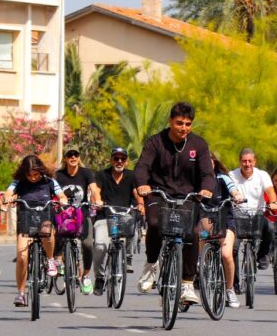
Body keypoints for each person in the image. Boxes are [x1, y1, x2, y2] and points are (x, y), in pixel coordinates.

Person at [133, 102, 216, 307]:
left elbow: (208, 174)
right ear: (170, 121)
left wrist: (206, 189)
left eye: (188, 124)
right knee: (154, 224)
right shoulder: (155, 142)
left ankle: (187, 283)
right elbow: (142, 167)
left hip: (188, 197)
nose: (183, 128)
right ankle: (152, 265)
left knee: (191, 234)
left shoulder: (199, 145)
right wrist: (143, 184)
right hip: (158, 194)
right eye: (179, 123)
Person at [4, 155, 71, 308]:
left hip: (44, 218)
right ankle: (21, 294)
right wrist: (8, 198)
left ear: (41, 171)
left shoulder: (49, 181)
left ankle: (50, 260)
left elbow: (61, 195)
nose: (33, 178)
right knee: (22, 257)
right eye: (29, 175)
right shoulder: (19, 182)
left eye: (36, 174)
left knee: (47, 232)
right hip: (25, 221)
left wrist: (63, 200)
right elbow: (8, 192)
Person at [93, 147, 145, 293]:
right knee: (100, 246)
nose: (119, 161)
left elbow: (137, 193)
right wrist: (97, 201)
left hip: (124, 215)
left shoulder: (131, 176)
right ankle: (99, 277)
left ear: (127, 162)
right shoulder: (102, 175)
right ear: (111, 160)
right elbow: (96, 190)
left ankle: (127, 258)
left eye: (122, 159)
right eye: (116, 158)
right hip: (104, 216)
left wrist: (140, 204)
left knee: (133, 231)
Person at [55, 147, 102, 294]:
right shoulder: (58, 175)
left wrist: (98, 200)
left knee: (88, 243)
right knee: (57, 237)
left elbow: (94, 189)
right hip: (63, 214)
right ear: (65, 158)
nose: (73, 157)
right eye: (70, 155)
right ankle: (60, 261)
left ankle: (86, 275)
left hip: (82, 212)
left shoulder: (86, 173)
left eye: (76, 154)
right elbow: (52, 190)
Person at [229, 148, 277, 274]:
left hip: (257, 215)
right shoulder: (232, 175)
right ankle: (234, 281)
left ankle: (262, 255)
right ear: (240, 162)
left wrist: (273, 203)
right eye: (244, 161)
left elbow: (270, 191)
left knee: (270, 228)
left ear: (255, 162)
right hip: (237, 216)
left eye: (250, 161)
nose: (247, 164)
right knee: (233, 247)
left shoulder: (262, 175)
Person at [211, 156, 245, 307]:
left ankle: (230, 289)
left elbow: (233, 189)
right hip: (205, 220)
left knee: (226, 255)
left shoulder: (222, 178)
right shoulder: (195, 179)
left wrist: (237, 196)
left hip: (225, 220)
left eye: (210, 161)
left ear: (215, 163)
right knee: (198, 240)